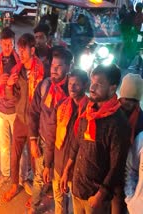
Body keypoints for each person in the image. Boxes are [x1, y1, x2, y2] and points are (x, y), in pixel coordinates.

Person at [60, 64, 131, 214]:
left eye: (98, 84)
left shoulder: (118, 123)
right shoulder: (89, 110)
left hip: (95, 197)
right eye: (92, 82)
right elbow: (77, 142)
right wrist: (66, 170)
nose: (92, 87)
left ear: (112, 88)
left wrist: (100, 195)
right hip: (78, 186)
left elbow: (116, 166)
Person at [28, 47, 72, 213]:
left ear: (68, 68)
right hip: (44, 142)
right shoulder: (45, 86)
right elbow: (33, 113)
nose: (54, 69)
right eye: (53, 65)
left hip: (62, 148)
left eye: (59, 66)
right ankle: (34, 206)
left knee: (58, 184)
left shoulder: (72, 91)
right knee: (39, 178)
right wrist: (33, 140)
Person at [2, 33, 44, 202]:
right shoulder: (17, 70)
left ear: (32, 50)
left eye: (23, 49)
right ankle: (14, 185)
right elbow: (11, 97)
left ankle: (36, 193)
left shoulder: (42, 71)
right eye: (19, 49)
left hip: (35, 123)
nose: (20, 53)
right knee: (15, 154)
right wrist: (9, 86)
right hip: (19, 119)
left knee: (35, 158)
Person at [0, 28, 30, 191]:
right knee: (4, 146)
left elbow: (26, 88)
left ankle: (22, 177)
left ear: (14, 43)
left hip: (16, 111)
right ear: (0, 43)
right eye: (5, 44)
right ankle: (6, 174)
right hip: (0, 110)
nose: (7, 47)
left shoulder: (20, 63)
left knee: (19, 147)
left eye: (10, 44)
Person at [44, 69, 89, 214]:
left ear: (85, 85)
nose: (72, 87)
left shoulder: (90, 111)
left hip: (76, 170)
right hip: (58, 165)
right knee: (59, 202)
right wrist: (47, 164)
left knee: (76, 206)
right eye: (70, 83)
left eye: (77, 84)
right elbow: (51, 136)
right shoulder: (62, 105)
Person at [118, 73, 143, 214]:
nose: (128, 103)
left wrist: (131, 196)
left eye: (133, 100)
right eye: (126, 98)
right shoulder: (111, 112)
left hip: (129, 171)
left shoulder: (141, 120)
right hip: (111, 169)